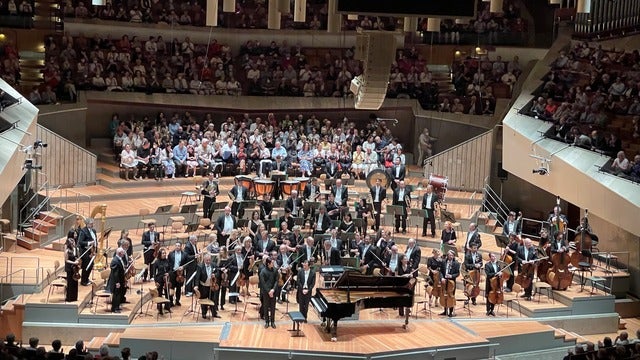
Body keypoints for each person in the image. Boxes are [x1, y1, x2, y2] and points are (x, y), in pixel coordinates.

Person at [193, 253, 220, 319]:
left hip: (211, 286)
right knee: (204, 300)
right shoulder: (200, 266)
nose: (208, 262)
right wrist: (196, 285)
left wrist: (215, 275)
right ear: (204, 260)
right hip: (203, 286)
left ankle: (214, 313)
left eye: (209, 260)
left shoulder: (213, 265)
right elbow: (197, 277)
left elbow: (218, 272)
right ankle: (204, 313)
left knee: (213, 300)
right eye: (207, 260)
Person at [259, 257, 280, 329]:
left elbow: (276, 281)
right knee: (266, 306)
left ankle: (273, 321)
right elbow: (263, 283)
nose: (273, 264)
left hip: (273, 291)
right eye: (272, 263)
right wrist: (268, 291)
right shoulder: (263, 271)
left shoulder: (275, 270)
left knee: (273, 307)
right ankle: (267, 322)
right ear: (268, 264)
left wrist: (273, 290)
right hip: (266, 292)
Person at [77, 218, 98, 286]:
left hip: (92, 251)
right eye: (91, 224)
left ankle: (86, 278)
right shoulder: (83, 231)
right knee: (86, 266)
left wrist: (95, 250)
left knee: (91, 266)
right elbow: (80, 242)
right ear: (87, 224)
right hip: (85, 251)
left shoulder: (93, 231)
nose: (92, 225)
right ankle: (83, 281)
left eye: (92, 223)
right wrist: (89, 243)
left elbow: (95, 240)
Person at [439, 250, 460, 317]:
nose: (450, 256)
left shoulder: (456, 263)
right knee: (444, 295)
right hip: (444, 281)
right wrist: (442, 278)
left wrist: (451, 276)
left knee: (451, 296)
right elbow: (441, 272)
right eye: (449, 255)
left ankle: (450, 312)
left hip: (452, 282)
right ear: (447, 255)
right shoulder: (443, 262)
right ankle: (445, 311)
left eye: (452, 255)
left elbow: (457, 273)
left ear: (453, 256)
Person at [153, 248, 172, 315]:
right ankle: (160, 308)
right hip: (159, 279)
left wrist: (168, 273)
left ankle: (167, 307)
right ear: (160, 254)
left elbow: (170, 269)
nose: (164, 254)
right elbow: (154, 273)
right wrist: (155, 281)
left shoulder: (167, 261)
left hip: (166, 279)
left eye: (165, 253)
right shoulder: (157, 262)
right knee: (160, 294)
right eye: (163, 253)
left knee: (167, 293)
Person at [168, 242, 186, 306]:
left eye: (179, 246)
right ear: (174, 246)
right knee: (172, 287)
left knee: (179, 288)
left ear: (181, 247)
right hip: (173, 273)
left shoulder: (184, 254)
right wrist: (170, 271)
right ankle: (171, 301)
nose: (177, 247)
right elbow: (168, 263)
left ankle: (177, 300)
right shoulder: (170, 254)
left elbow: (187, 264)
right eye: (176, 245)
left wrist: (183, 267)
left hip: (180, 274)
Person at [108, 247, 126, 313]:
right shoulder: (115, 261)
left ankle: (117, 307)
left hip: (120, 280)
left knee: (118, 294)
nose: (124, 253)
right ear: (119, 253)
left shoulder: (119, 259)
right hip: (116, 282)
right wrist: (117, 282)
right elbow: (115, 274)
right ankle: (114, 308)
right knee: (116, 295)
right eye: (122, 252)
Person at [64, 238, 79, 302]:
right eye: (72, 244)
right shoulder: (67, 251)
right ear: (69, 244)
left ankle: (74, 297)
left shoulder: (76, 249)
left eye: (74, 243)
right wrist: (74, 262)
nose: (73, 244)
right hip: (69, 268)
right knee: (70, 283)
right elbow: (66, 260)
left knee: (75, 283)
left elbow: (77, 257)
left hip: (75, 269)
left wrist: (78, 260)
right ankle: (69, 298)